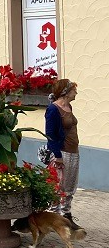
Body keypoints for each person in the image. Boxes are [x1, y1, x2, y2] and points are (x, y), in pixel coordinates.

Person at [45, 78, 80, 222]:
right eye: (74, 90)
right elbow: (50, 134)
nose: (76, 92)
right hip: (62, 152)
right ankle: (54, 216)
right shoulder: (53, 109)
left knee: (70, 185)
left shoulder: (68, 107)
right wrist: (57, 155)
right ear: (66, 93)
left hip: (73, 151)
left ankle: (66, 215)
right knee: (58, 186)